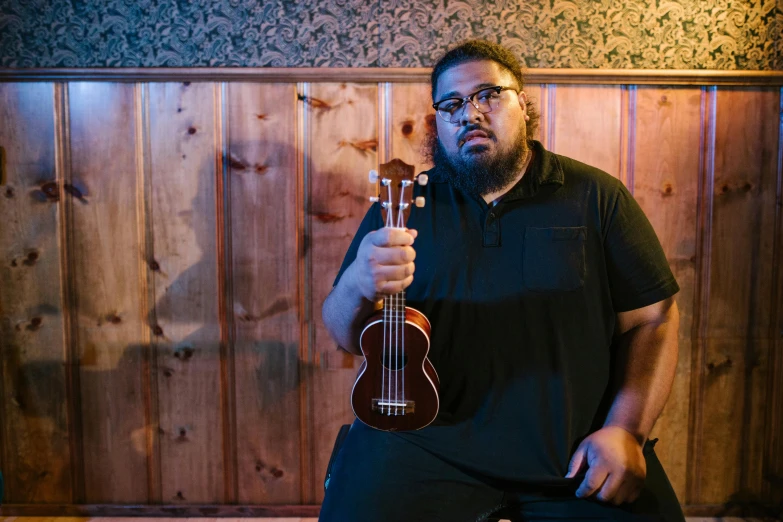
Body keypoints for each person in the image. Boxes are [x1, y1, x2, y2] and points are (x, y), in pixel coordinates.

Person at [319, 39, 684, 522]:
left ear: (523, 106)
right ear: (437, 123)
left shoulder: (596, 196)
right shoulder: (401, 206)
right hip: (422, 445)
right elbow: (344, 334)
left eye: (488, 94)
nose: (469, 113)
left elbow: (654, 319)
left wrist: (627, 431)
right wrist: (357, 283)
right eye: (450, 104)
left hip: (569, 452)